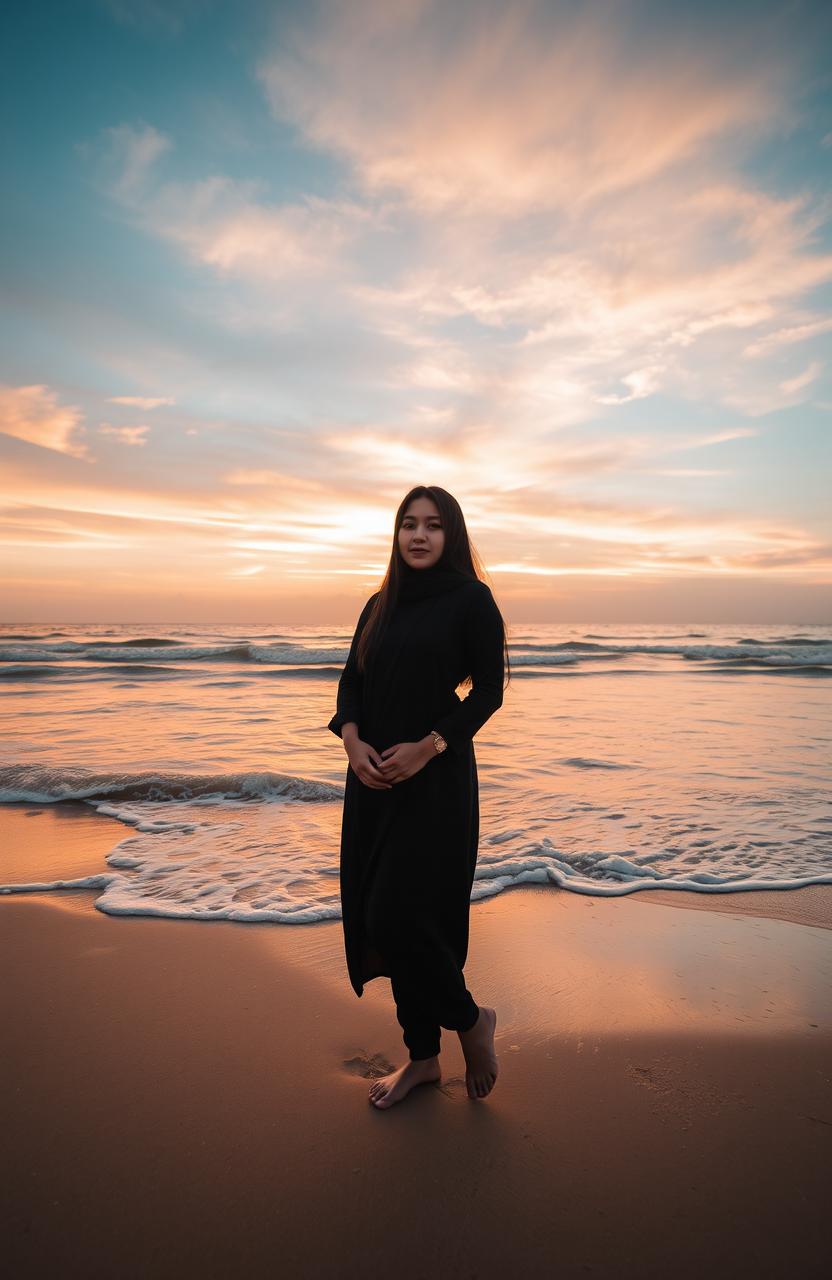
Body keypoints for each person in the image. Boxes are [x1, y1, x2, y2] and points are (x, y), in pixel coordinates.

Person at [327, 485, 511, 1108]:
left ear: (451, 535)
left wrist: (427, 746)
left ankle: (468, 1021)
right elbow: (351, 684)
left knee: (406, 919)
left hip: (435, 784)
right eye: (409, 524)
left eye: (433, 525)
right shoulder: (379, 604)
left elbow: (489, 691)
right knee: (382, 914)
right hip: (372, 781)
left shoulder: (471, 600)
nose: (419, 535)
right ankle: (424, 1061)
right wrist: (353, 744)